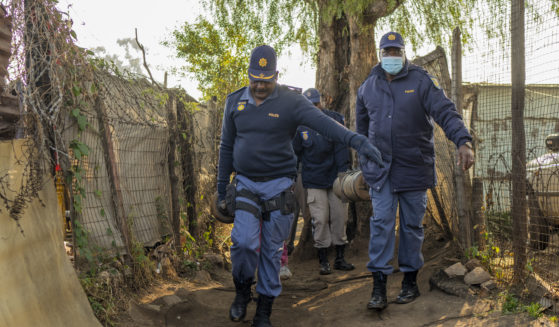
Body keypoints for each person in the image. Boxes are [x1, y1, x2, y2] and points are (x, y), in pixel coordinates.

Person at [217, 44, 384, 327]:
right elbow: (226, 146)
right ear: (248, 75)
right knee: (244, 243)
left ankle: (264, 310)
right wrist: (222, 189)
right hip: (245, 183)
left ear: (276, 76)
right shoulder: (234, 102)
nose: (259, 85)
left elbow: (325, 124)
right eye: (254, 79)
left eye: (266, 80)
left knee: (271, 250)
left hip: (279, 186)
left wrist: (358, 141)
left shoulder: (291, 102)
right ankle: (243, 291)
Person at [355, 32, 474, 311]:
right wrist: (365, 161)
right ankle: (379, 286)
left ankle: (410, 281)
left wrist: (463, 140)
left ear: (404, 53)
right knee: (382, 224)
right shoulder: (368, 86)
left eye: (397, 52)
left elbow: (445, 111)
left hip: (413, 167)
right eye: (388, 52)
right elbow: (360, 131)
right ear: (380, 54)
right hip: (382, 171)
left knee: (411, 226)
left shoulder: (421, 81)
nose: (392, 57)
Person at [292, 88, 355, 275]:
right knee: (320, 219)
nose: (314, 107)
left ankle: (340, 258)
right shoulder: (299, 126)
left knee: (339, 217)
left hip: (336, 178)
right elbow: (295, 153)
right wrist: (291, 175)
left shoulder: (334, 119)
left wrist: (343, 174)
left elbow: (341, 147)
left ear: (322, 103)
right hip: (313, 178)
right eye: (310, 104)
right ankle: (323, 261)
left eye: (316, 103)